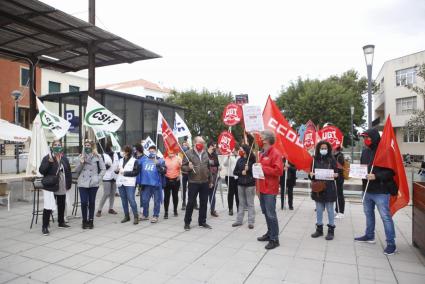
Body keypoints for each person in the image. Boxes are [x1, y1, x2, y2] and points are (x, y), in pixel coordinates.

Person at [354, 128, 397, 255]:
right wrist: (357, 173)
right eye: (363, 138)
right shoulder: (365, 152)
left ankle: (391, 243)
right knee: (368, 213)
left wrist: (376, 176)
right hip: (367, 189)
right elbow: (363, 168)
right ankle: (369, 235)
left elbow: (391, 172)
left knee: (386, 217)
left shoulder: (385, 151)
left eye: (367, 138)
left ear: (374, 138)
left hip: (381, 191)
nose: (365, 140)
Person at [257, 130, 283, 250]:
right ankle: (269, 233)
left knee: (271, 214)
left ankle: (274, 239)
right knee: (265, 212)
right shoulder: (262, 153)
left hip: (270, 189)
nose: (259, 140)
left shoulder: (275, 153)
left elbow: (279, 171)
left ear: (267, 139)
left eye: (261, 138)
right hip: (262, 187)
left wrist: (263, 168)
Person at [39, 139, 72, 235]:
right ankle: (45, 226)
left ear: (61, 146)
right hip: (51, 185)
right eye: (55, 145)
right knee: (48, 206)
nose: (57, 146)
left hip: (62, 184)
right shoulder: (48, 157)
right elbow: (42, 171)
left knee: (61, 204)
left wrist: (68, 184)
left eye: (59, 145)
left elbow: (68, 171)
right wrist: (49, 163)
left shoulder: (64, 158)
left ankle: (61, 222)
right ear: (52, 147)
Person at [309, 141, 338, 241]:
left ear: (328, 149)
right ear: (318, 149)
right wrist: (311, 175)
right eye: (322, 148)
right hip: (318, 189)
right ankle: (319, 229)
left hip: (329, 188)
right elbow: (311, 174)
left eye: (325, 148)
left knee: (330, 210)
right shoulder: (314, 160)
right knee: (319, 210)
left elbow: (338, 173)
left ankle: (331, 230)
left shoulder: (332, 159)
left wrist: (336, 175)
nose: (323, 150)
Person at [183, 136, 212, 230]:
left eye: (203, 143)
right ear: (195, 143)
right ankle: (187, 222)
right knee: (191, 203)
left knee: (204, 202)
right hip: (193, 182)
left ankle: (202, 221)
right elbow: (182, 167)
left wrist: (210, 180)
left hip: (204, 182)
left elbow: (208, 168)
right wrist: (188, 168)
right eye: (201, 142)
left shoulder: (205, 153)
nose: (203, 144)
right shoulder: (188, 153)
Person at [75, 139, 106, 229]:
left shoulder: (98, 156)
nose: (87, 147)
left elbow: (103, 169)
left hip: (93, 182)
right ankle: (84, 220)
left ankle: (91, 220)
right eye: (86, 145)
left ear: (92, 147)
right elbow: (77, 171)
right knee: (84, 202)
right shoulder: (81, 156)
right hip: (82, 183)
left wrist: (98, 178)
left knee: (91, 202)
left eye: (89, 145)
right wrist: (81, 163)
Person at [137, 145, 166, 223]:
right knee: (144, 200)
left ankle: (155, 216)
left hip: (156, 185)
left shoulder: (161, 160)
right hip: (146, 184)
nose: (151, 153)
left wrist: (158, 165)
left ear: (156, 152)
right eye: (150, 151)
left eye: (153, 151)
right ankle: (145, 215)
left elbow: (164, 171)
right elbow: (138, 169)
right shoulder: (144, 160)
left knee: (156, 201)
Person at [232, 144, 256, 229]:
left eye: (241, 149)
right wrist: (241, 172)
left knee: (250, 204)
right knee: (241, 203)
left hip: (250, 185)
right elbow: (235, 172)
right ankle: (239, 221)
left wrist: (249, 168)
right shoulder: (239, 160)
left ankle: (251, 222)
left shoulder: (253, 160)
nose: (240, 151)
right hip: (240, 184)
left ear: (245, 150)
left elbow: (256, 172)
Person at [116, 145, 140, 225]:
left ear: (128, 152)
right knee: (123, 200)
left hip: (129, 183)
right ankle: (126, 216)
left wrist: (125, 173)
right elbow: (118, 170)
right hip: (121, 182)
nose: (122, 152)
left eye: (124, 151)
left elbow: (136, 172)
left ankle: (136, 216)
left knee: (131, 200)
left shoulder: (134, 161)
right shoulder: (120, 160)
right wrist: (116, 170)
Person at [96, 143, 119, 217]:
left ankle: (111, 208)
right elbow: (100, 167)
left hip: (114, 176)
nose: (113, 148)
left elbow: (117, 164)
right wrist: (106, 166)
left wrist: (117, 169)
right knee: (106, 193)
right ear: (109, 147)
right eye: (112, 146)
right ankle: (99, 209)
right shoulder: (103, 155)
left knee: (112, 193)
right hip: (106, 176)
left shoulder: (115, 154)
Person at [164, 149, 182, 219]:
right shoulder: (165, 158)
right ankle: (166, 212)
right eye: (169, 151)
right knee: (166, 197)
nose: (170, 153)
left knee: (175, 196)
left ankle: (175, 210)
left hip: (175, 179)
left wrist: (179, 175)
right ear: (167, 152)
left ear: (174, 152)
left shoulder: (178, 158)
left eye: (172, 151)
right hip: (167, 179)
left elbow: (182, 167)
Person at [224, 148, 239, 216]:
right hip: (230, 176)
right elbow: (225, 164)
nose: (234, 151)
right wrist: (228, 157)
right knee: (230, 193)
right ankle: (230, 209)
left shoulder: (240, 155)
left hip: (237, 177)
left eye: (235, 149)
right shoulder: (229, 154)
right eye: (233, 150)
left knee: (238, 193)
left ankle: (239, 208)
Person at [207, 141, 220, 217]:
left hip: (214, 176)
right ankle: (204, 208)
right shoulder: (205, 154)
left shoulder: (215, 155)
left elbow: (217, 164)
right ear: (210, 146)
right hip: (206, 177)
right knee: (206, 194)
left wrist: (219, 168)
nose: (215, 147)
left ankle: (212, 210)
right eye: (214, 146)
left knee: (213, 194)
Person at [334, 146, 345, 218]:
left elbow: (340, 168)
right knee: (336, 194)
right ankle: (336, 209)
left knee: (339, 194)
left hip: (339, 178)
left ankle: (341, 212)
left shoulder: (340, 156)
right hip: (335, 178)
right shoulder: (335, 155)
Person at [181, 140, 191, 210]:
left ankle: (194, 203)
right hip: (184, 174)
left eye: (186, 145)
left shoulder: (190, 153)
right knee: (184, 189)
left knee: (192, 189)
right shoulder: (181, 154)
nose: (185, 146)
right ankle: (184, 202)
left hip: (191, 174)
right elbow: (182, 165)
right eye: (184, 145)